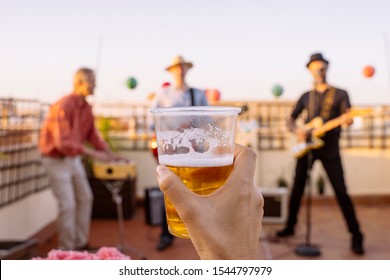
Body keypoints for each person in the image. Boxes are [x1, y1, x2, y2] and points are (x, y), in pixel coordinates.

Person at [275, 53, 365, 255]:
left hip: (330, 150)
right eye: (314, 67)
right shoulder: (307, 96)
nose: (318, 70)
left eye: (321, 67)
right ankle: (290, 227)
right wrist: (297, 130)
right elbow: (290, 119)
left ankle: (356, 235)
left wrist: (349, 120)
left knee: (341, 191)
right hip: (307, 147)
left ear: (327, 68)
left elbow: (347, 116)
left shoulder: (340, 94)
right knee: (297, 188)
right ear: (310, 70)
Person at [39, 68, 126, 250]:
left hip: (73, 160)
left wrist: (111, 155)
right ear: (79, 83)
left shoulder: (86, 107)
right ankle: (66, 250)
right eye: (92, 81)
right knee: (67, 205)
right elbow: (63, 142)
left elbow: (92, 135)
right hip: (56, 160)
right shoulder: (63, 106)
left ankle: (80, 244)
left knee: (85, 198)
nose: (95, 85)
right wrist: (94, 154)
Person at [156, 144, 264, 259]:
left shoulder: (201, 130)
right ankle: (166, 236)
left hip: (203, 176)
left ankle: (172, 233)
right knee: (172, 199)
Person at [152, 55, 209, 251]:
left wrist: (192, 124)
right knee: (167, 190)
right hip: (172, 151)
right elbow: (153, 122)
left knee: (198, 190)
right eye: (177, 68)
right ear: (171, 71)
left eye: (182, 67)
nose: (180, 70)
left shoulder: (198, 94)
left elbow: (207, 121)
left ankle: (199, 232)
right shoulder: (163, 94)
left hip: (195, 150)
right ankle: (166, 234)